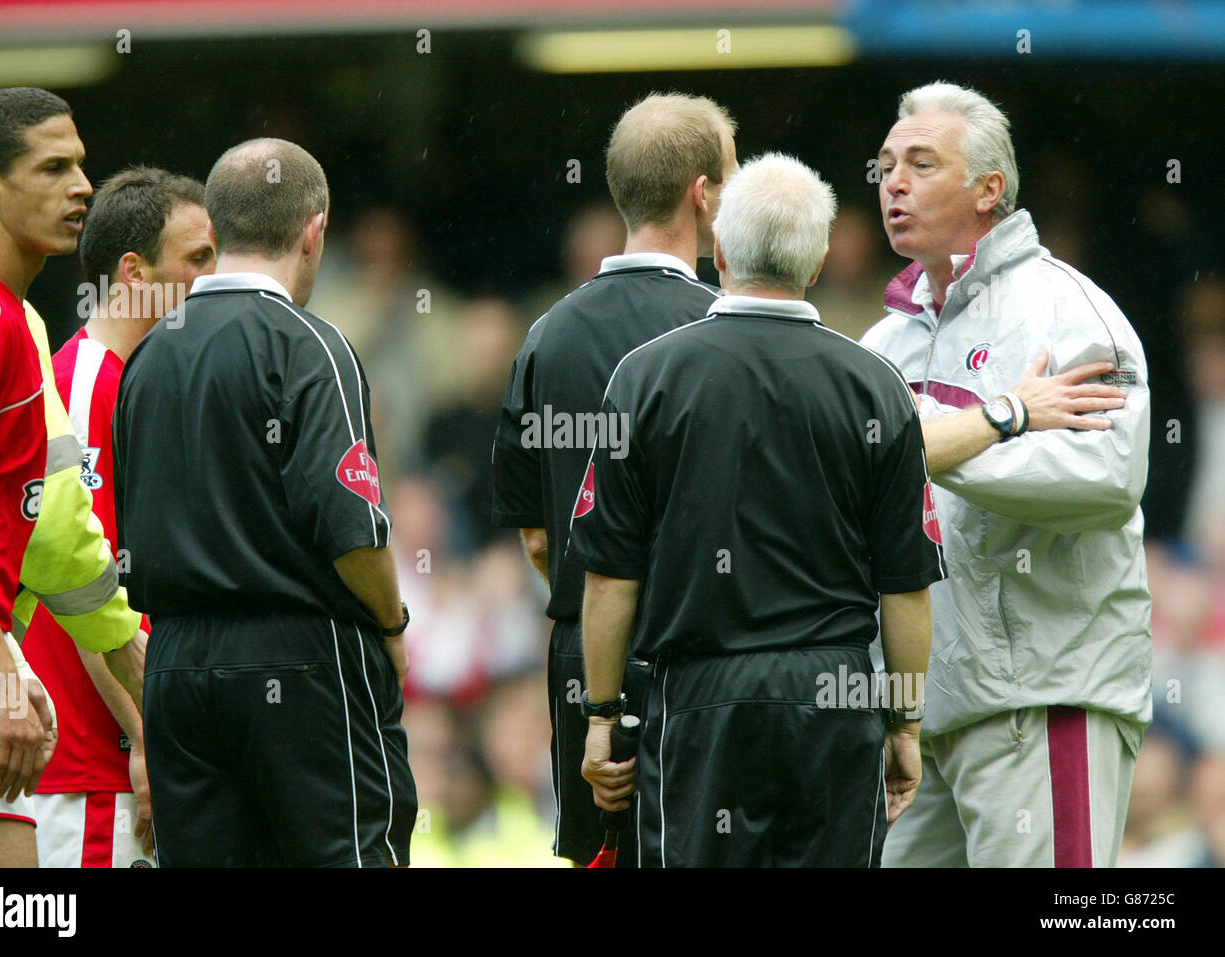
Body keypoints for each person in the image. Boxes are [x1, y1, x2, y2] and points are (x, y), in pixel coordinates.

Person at [571, 152, 943, 867]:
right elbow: (905, 584)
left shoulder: (644, 377)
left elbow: (610, 575)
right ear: (818, 261)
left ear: (718, 251)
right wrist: (903, 723)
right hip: (834, 696)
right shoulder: (879, 388)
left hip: (701, 700)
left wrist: (600, 712)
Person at [861, 81, 1151, 867]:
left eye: (922, 162)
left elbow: (1104, 478)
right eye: (885, 165)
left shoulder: (1068, 311)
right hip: (923, 719)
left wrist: (928, 446)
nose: (894, 181)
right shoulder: (881, 343)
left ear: (990, 188)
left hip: (1043, 694)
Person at [114, 138, 416, 867]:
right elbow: (351, 526)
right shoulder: (311, 344)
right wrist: (392, 624)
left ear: (213, 232)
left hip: (177, 667)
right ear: (314, 232)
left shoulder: (149, 356)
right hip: (300, 655)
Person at [491, 92, 736, 865]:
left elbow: (536, 533)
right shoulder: (733, 326)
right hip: (706, 658)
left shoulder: (545, 334)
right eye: (730, 181)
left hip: (582, 665)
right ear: (702, 193)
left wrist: (595, 597)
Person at [0, 77, 149, 867]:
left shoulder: (4, 316)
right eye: (52, 169)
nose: (82, 186)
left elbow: (55, 542)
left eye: (81, 165)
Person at [20, 166, 214, 868]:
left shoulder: (136, 383)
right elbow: (83, 580)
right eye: (198, 258)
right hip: (93, 769)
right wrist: (143, 737)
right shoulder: (81, 382)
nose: (214, 276)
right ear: (135, 271)